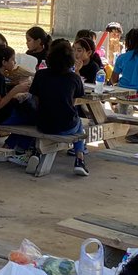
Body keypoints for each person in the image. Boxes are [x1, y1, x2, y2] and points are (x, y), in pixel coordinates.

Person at [27, 39, 89, 177]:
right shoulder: (74, 78)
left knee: (46, 114)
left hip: (43, 123)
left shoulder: (41, 74)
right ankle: (80, 159)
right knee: (78, 122)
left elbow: (35, 99)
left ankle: (35, 152)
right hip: (66, 125)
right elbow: (72, 102)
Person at [0, 45, 31, 126]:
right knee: (32, 118)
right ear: (4, 62)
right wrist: (15, 90)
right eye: (12, 59)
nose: (15, 62)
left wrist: (14, 84)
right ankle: (14, 139)